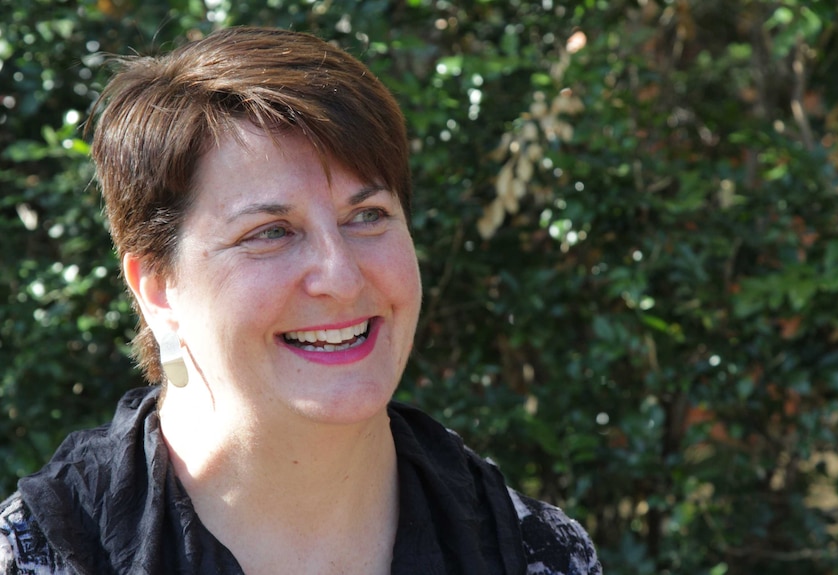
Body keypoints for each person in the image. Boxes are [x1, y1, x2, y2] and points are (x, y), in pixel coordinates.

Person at [0, 27, 601, 574]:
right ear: (158, 289)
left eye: (367, 216)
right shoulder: (36, 559)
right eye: (270, 232)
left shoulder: (538, 554)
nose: (339, 277)